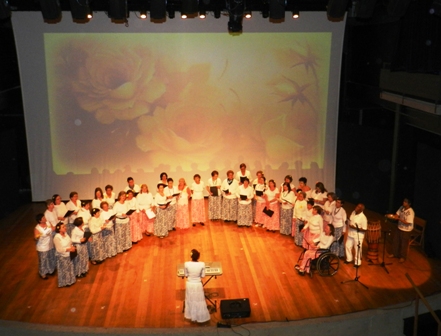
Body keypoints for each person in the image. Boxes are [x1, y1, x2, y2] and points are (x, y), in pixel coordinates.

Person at [184, 249, 211, 323]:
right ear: (198, 257)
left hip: (190, 284)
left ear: (191, 256)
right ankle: (200, 317)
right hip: (198, 284)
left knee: (191, 300)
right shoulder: (202, 264)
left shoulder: (186, 264)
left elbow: (186, 275)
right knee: (199, 300)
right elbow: (202, 275)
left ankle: (192, 316)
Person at [388, 198, 415, 263]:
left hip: (406, 230)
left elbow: (408, 222)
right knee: (396, 241)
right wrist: (392, 216)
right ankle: (394, 253)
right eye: (404, 201)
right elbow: (397, 214)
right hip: (399, 227)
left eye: (405, 202)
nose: (404, 202)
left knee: (404, 244)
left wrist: (399, 219)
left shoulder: (410, 212)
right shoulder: (401, 208)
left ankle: (402, 257)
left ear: (409, 204)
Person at [53, 223, 76, 288]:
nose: (65, 227)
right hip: (62, 256)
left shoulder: (66, 234)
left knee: (69, 268)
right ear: (59, 229)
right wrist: (69, 249)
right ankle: (65, 282)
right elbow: (59, 249)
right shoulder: (57, 237)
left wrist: (72, 247)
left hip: (69, 254)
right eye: (63, 227)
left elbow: (70, 242)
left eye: (65, 226)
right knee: (64, 269)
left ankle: (70, 280)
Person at [345, 203, 368, 267]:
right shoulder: (353, 212)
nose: (356, 207)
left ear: (361, 209)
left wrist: (354, 228)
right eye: (357, 206)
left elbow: (365, 229)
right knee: (347, 246)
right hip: (350, 233)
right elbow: (351, 220)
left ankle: (357, 263)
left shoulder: (363, 218)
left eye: (358, 207)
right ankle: (349, 259)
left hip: (358, 236)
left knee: (357, 249)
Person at [34, 214, 56, 280]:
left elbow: (53, 228)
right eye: (43, 218)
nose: (45, 218)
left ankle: (50, 270)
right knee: (43, 260)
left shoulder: (48, 223)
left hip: (50, 245)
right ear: (40, 220)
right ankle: (43, 273)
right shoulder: (37, 228)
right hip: (42, 247)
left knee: (51, 258)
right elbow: (36, 237)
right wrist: (38, 236)